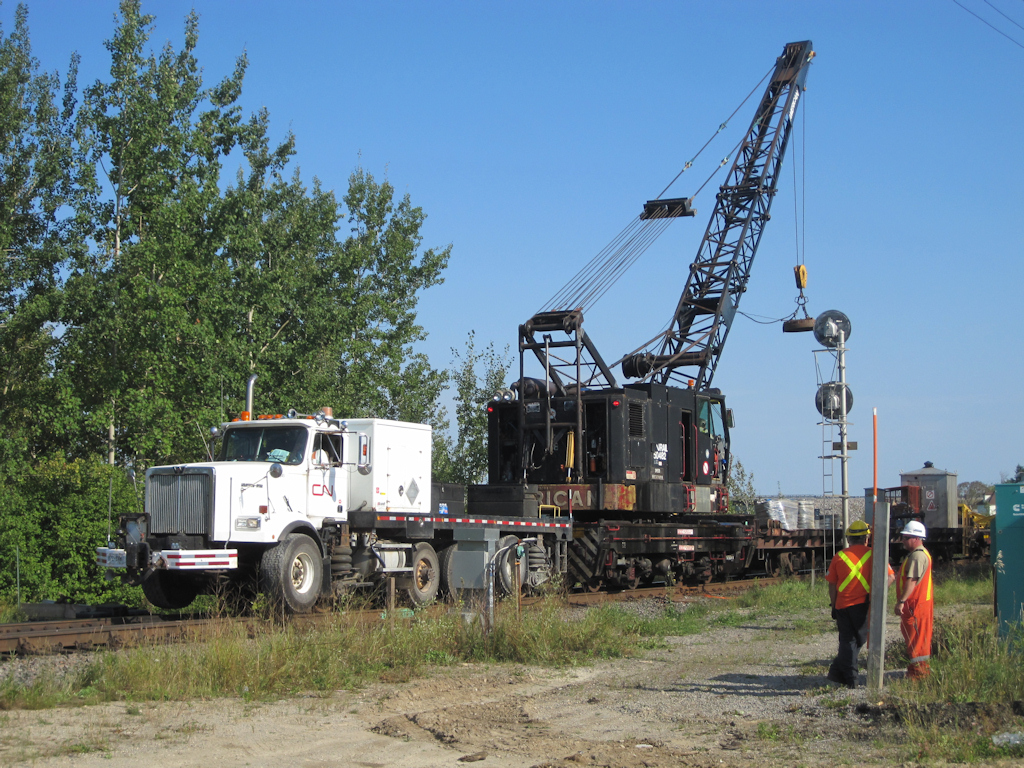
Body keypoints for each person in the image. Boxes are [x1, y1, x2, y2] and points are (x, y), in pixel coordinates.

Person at [825, 520, 895, 687]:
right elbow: (891, 577)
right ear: (867, 538)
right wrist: (876, 594)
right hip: (864, 605)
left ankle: (839, 673)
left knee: (848, 641)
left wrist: (833, 605)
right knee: (858, 639)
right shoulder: (874, 555)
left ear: (849, 539)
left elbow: (832, 584)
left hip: (842, 606)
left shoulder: (839, 556)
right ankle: (849, 678)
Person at [894, 520, 933, 680]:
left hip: (915, 607)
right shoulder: (919, 554)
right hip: (917, 606)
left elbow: (912, 581)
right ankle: (915, 672)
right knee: (915, 641)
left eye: (905, 537)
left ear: (916, 538)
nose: (902, 540)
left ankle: (919, 675)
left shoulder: (917, 556)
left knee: (917, 642)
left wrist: (901, 601)